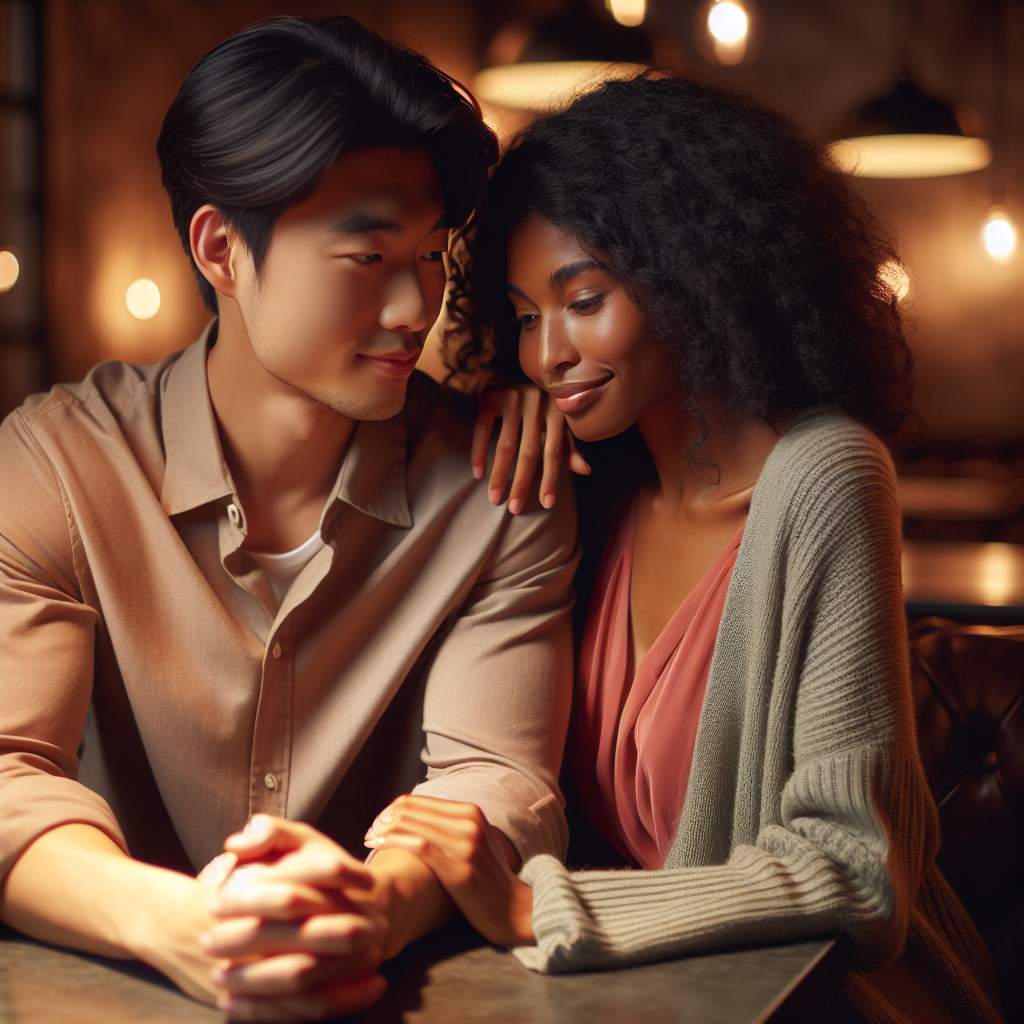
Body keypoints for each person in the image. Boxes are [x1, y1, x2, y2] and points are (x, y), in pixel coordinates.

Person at [362, 75, 1004, 1024]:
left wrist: (533, 903)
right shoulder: (590, 490)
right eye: (526, 317)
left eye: (584, 301)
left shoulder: (825, 475)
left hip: (832, 1002)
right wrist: (500, 410)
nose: (550, 356)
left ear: (694, 273)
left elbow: (855, 872)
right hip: (645, 995)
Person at [0, 17, 580, 1021]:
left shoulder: (498, 489)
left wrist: (370, 904)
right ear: (221, 248)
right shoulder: (54, 465)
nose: (415, 308)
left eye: (433, 256)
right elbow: (8, 777)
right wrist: (182, 925)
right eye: (366, 257)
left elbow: (499, 782)